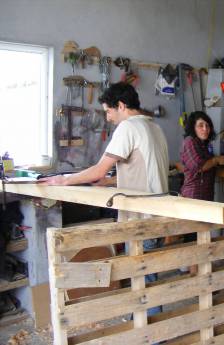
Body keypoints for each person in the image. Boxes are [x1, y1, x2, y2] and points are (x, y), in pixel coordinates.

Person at [39, 82, 169, 319]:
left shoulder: (128, 127)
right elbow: (143, 170)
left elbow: (99, 170)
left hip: (140, 219)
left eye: (109, 111)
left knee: (144, 280)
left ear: (121, 106)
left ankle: (154, 335)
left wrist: (64, 180)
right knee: (144, 276)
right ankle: (140, 324)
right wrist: (110, 183)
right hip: (157, 214)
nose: (108, 118)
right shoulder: (154, 127)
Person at [179, 111, 224, 274]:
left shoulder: (203, 145)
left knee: (202, 237)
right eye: (201, 125)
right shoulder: (190, 142)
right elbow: (199, 166)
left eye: (207, 125)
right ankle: (195, 276)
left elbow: (209, 162)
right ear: (193, 128)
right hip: (193, 197)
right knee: (195, 238)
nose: (205, 129)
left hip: (204, 197)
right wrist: (216, 160)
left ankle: (200, 276)